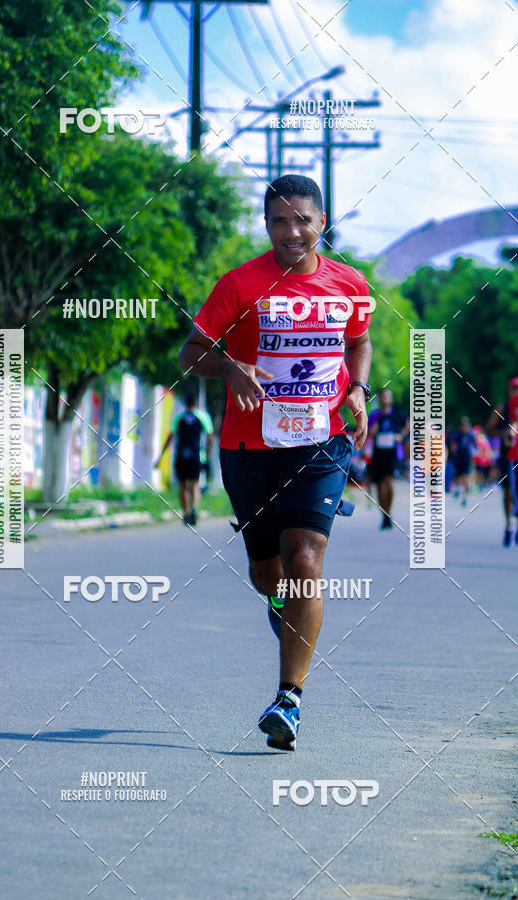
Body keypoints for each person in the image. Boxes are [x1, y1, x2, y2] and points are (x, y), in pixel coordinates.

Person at [178, 174, 371, 751]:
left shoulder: (350, 284)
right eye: (280, 222)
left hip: (322, 441)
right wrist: (230, 367)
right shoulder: (239, 284)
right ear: (267, 226)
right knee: (270, 576)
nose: (293, 232)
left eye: (303, 220)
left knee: (304, 559)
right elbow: (191, 354)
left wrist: (357, 388)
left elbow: (357, 339)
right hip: (248, 446)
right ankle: (283, 608)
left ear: (322, 224)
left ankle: (289, 698)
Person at [155, 392, 214, 526]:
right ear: (195, 403)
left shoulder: (179, 418)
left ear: (185, 403)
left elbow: (170, 438)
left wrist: (161, 457)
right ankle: (194, 508)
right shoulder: (202, 417)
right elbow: (210, 437)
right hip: (197, 456)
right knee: (194, 484)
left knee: (183, 485)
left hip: (181, 456)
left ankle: (186, 513)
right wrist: (207, 454)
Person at [367, 388, 408, 529]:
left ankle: (388, 511)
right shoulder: (375, 415)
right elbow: (367, 433)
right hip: (378, 453)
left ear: (390, 399)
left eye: (387, 396)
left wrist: (401, 435)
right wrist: (372, 431)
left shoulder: (397, 414)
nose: (384, 399)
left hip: (393, 453)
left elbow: (407, 424)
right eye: (382, 397)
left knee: (389, 482)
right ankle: (384, 515)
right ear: (379, 399)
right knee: (380, 485)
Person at [486, 377, 518, 545]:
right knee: (508, 491)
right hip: (508, 457)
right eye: (514, 389)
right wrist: (504, 434)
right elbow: (489, 430)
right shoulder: (503, 408)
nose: (516, 392)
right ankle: (508, 525)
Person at [449, 417, 476, 505]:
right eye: (462, 425)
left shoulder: (470, 435)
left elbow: (474, 447)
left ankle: (465, 496)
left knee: (466, 477)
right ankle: (457, 488)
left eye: (465, 425)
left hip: (466, 459)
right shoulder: (456, 435)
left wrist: (474, 453)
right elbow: (451, 444)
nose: (464, 427)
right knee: (458, 477)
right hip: (457, 458)